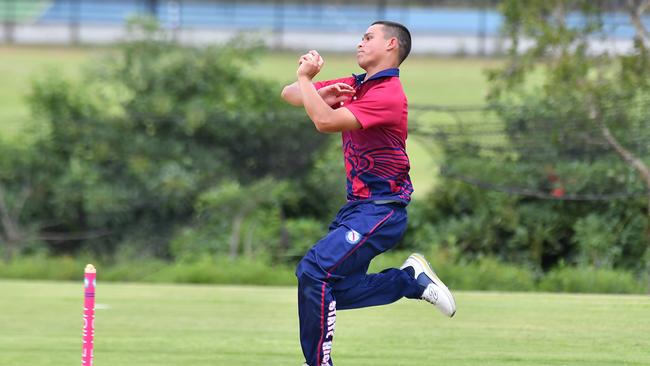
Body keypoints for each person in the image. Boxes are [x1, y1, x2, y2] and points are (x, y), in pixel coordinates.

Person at [280, 20, 456, 366]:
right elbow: (289, 95)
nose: (360, 43)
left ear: (392, 45)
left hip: (382, 210)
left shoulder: (387, 94)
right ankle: (409, 281)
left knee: (313, 272)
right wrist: (320, 92)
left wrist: (308, 81)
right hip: (358, 210)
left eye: (368, 37)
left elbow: (324, 123)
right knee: (324, 289)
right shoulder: (357, 85)